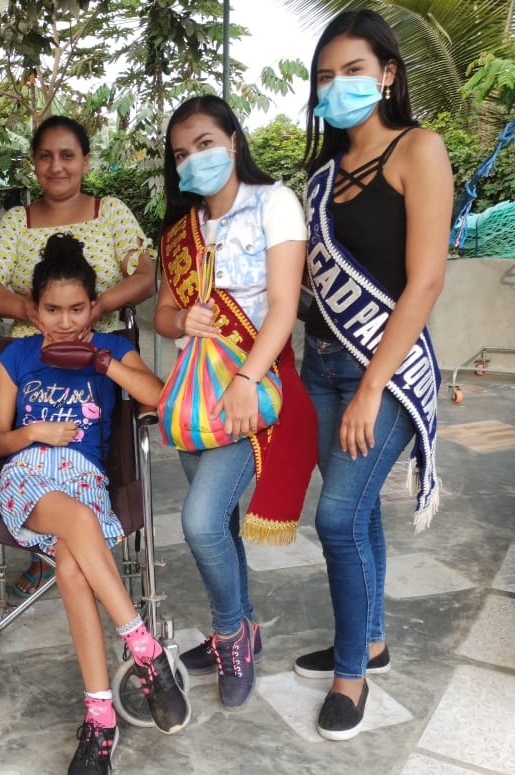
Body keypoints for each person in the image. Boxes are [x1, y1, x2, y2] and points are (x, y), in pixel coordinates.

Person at [293, 9, 452, 740]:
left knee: (336, 519)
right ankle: (372, 640)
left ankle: (351, 674)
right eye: (325, 76)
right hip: (319, 362)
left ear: (387, 74)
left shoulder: (419, 150)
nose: (338, 86)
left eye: (353, 70)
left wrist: (369, 387)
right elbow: (309, 283)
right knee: (356, 513)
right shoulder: (320, 178)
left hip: (379, 371)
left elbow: (425, 282)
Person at [0, 232, 189, 775]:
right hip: (28, 478)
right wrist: (34, 431)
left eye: (77, 308)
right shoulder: (16, 357)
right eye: (52, 309)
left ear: (93, 306)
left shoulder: (108, 349)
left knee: (74, 568)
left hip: (85, 479)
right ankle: (145, 651)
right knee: (77, 523)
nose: (65, 321)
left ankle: (100, 721)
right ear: (34, 310)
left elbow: (157, 396)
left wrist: (103, 359)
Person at [153, 95, 318, 711]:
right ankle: (243, 628)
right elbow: (163, 315)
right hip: (196, 396)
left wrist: (247, 377)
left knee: (199, 521)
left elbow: (283, 304)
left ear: (232, 140)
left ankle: (229, 638)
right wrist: (182, 321)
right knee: (218, 523)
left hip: (252, 390)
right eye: (180, 154)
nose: (193, 160)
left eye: (203, 144)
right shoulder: (181, 232)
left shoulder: (274, 203)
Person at [0, 115, 156, 596]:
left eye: (68, 155)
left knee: (96, 451)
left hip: (101, 356)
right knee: (36, 454)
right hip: (30, 358)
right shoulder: (17, 222)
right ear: (34, 163)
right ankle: (51, 548)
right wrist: (30, 312)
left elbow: (144, 276)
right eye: (46, 156)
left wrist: (98, 308)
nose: (57, 166)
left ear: (86, 161)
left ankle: (70, 543)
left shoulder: (110, 213)